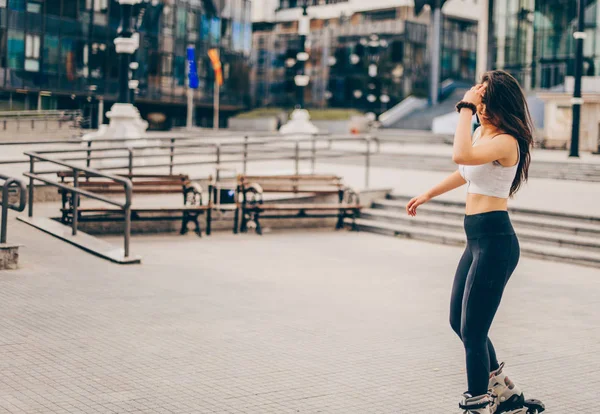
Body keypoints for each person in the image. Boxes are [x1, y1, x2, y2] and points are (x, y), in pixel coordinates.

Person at [405, 71, 544, 414]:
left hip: (497, 241)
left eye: (484, 105)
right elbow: (465, 170)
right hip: (477, 238)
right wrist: (428, 193)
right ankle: (504, 392)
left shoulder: (507, 141)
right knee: (459, 320)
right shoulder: (485, 134)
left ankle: (478, 401)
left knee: (474, 329)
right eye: (478, 104)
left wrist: (465, 107)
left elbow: (461, 155)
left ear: (498, 105)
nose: (479, 111)